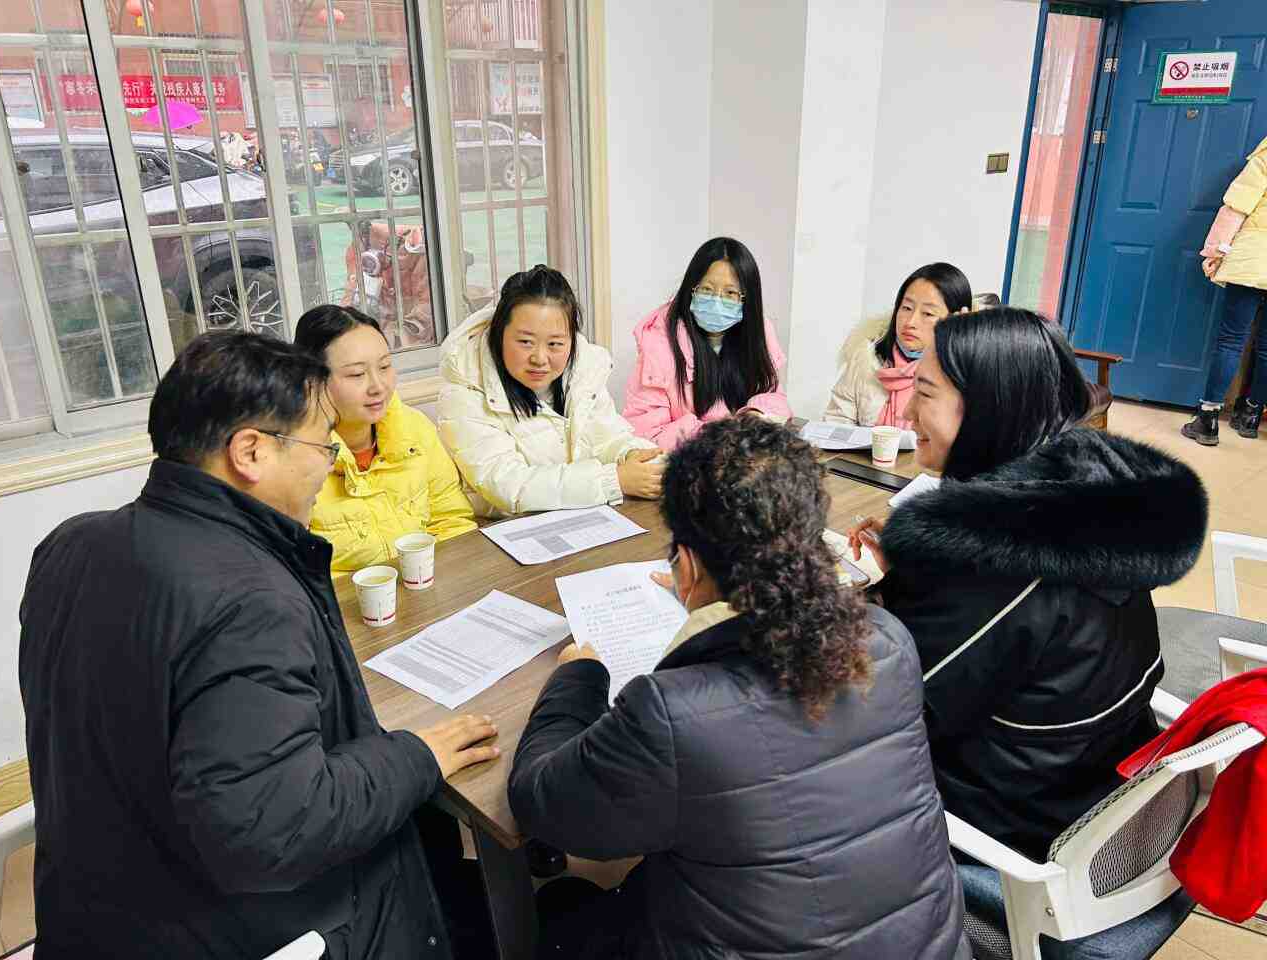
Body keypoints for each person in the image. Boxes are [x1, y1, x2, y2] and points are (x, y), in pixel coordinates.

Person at [19, 332, 500, 959]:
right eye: (322, 444)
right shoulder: (250, 599)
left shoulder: (70, 544)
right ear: (250, 451)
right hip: (236, 931)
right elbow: (275, 831)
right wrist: (419, 756)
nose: (328, 462)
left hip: (93, 915)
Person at [508, 416, 970, 960]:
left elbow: (540, 802)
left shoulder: (670, 713)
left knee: (562, 908)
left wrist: (578, 676)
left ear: (686, 567)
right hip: (929, 946)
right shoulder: (885, 640)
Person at [848, 308, 1206, 957]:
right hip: (1089, 784)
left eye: (925, 392)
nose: (907, 412)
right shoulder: (1092, 509)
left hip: (1012, 828)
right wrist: (912, 575)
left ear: (988, 409)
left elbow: (878, 715)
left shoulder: (996, 570)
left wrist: (851, 604)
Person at [439, 264, 662, 516]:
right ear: (500, 334)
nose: (540, 358)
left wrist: (635, 455)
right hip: (501, 527)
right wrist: (613, 481)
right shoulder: (464, 391)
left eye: (555, 344)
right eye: (525, 342)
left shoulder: (583, 370)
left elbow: (606, 436)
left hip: (580, 514)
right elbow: (508, 485)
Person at [294, 305, 476, 573]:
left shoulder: (415, 429)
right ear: (312, 381)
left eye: (385, 366)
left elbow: (452, 521)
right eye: (357, 374)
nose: (378, 386)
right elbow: (295, 572)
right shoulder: (291, 459)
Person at [623, 237, 790, 449]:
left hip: (745, 458)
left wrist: (757, 416)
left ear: (747, 299)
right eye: (707, 289)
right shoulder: (659, 343)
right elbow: (646, 432)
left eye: (730, 293)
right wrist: (721, 436)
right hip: (685, 461)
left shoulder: (759, 332)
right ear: (691, 289)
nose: (716, 302)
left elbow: (772, 393)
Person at [1182, 133, 1267, 444]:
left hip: (1253, 258)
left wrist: (1214, 252)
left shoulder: (1266, 155)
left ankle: (1208, 420)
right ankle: (1251, 416)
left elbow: (1236, 207)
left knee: (1231, 341)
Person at [823, 262, 972, 428]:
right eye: (906, 308)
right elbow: (836, 420)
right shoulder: (867, 358)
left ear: (954, 319)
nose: (910, 322)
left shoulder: (963, 376)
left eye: (928, 313)